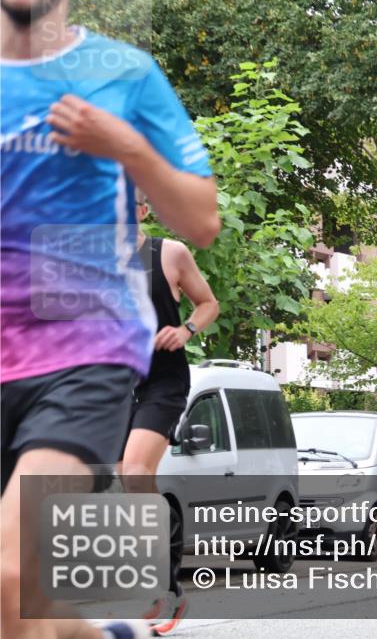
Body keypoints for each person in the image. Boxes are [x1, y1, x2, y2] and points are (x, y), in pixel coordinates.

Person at [1, 0, 219, 639]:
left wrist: (124, 145)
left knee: (10, 572)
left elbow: (203, 219)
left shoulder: (125, 72)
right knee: (25, 596)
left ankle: (150, 570)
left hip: (87, 355)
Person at [119, 191, 219, 634]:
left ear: (142, 210)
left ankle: (166, 585)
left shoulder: (170, 253)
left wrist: (186, 329)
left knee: (135, 471)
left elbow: (208, 303)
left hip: (162, 381)